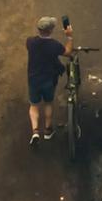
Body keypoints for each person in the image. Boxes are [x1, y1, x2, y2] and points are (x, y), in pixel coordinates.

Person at [26, 15, 73, 144]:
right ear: (50, 30)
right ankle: (48, 130)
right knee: (48, 103)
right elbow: (68, 52)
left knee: (34, 105)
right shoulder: (54, 45)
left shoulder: (30, 42)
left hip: (33, 80)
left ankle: (35, 132)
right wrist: (69, 36)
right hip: (48, 80)